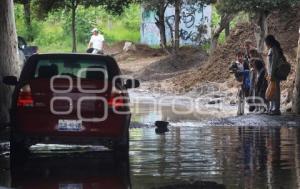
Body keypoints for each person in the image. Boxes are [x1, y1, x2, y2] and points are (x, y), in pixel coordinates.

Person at [265, 35, 283, 115]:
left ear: (269, 42)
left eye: (266, 42)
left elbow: (274, 64)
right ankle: (273, 109)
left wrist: (271, 75)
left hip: (274, 74)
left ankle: (276, 109)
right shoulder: (272, 49)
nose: (265, 44)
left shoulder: (274, 50)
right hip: (271, 74)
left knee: (275, 92)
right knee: (272, 91)